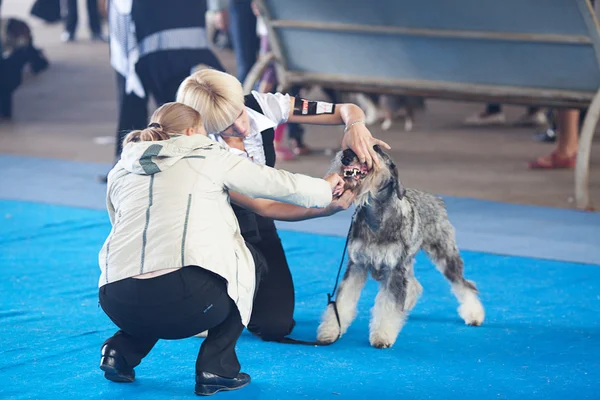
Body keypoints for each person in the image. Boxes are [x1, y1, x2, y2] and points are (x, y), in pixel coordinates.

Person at [97, 102, 344, 396]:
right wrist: (327, 187)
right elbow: (278, 184)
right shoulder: (209, 155)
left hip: (115, 298)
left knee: (152, 278)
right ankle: (217, 367)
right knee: (248, 260)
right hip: (183, 298)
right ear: (191, 131)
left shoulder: (121, 169)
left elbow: (119, 223)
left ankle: (119, 351)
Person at [176, 68, 390, 342]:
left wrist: (355, 127)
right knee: (209, 314)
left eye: (240, 113)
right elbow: (266, 206)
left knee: (274, 325)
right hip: (210, 230)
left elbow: (346, 109)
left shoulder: (263, 104)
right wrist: (326, 207)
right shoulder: (200, 148)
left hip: (256, 223)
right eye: (227, 126)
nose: (242, 128)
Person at [103, 0, 225, 182]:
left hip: (154, 45)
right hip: (169, 42)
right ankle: (132, 165)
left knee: (167, 110)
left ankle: (128, 165)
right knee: (180, 111)